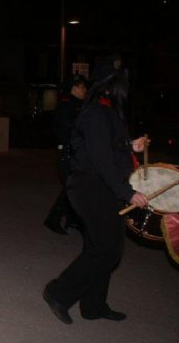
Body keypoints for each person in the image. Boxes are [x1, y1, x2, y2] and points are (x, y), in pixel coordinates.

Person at [43, 55, 149, 324]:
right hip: (91, 188)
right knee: (107, 249)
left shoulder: (106, 109)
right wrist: (127, 193)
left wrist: (130, 145)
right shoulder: (97, 112)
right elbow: (101, 160)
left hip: (100, 188)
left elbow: (109, 146)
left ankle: (93, 305)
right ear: (110, 85)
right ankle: (58, 292)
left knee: (100, 247)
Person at [43, 75, 87, 235]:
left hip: (73, 152)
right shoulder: (67, 106)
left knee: (73, 187)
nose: (85, 90)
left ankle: (71, 220)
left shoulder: (77, 105)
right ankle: (53, 218)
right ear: (74, 89)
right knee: (71, 188)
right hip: (68, 152)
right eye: (82, 87)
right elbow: (67, 130)